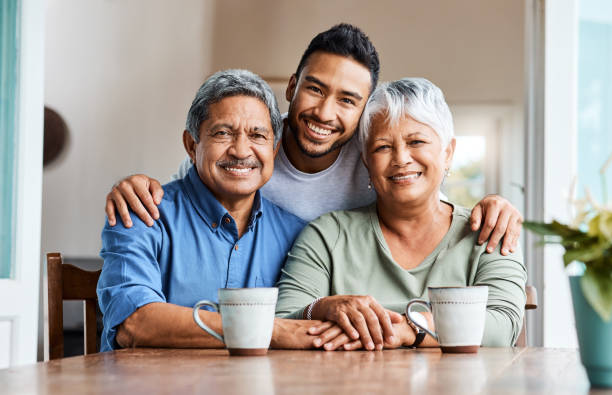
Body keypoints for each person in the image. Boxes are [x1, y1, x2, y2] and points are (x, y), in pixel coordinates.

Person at [104, 23, 523, 257]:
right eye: (316, 89)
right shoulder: (247, 151)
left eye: (347, 100)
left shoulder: (375, 157)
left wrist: (492, 205)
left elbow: (428, 202)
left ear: (363, 112)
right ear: (291, 86)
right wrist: (138, 186)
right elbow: (188, 192)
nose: (324, 113)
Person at [97, 69, 347, 351]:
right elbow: (135, 324)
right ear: (192, 145)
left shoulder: (299, 235)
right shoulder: (141, 213)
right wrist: (270, 331)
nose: (241, 151)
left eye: (257, 135)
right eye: (223, 133)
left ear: (274, 150)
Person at [275, 78, 527, 351]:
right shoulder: (327, 235)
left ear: (448, 153)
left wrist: (412, 328)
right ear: (366, 162)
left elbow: (502, 327)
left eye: (416, 141)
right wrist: (322, 307)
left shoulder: (491, 230)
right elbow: (282, 322)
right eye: (383, 147)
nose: (401, 158)